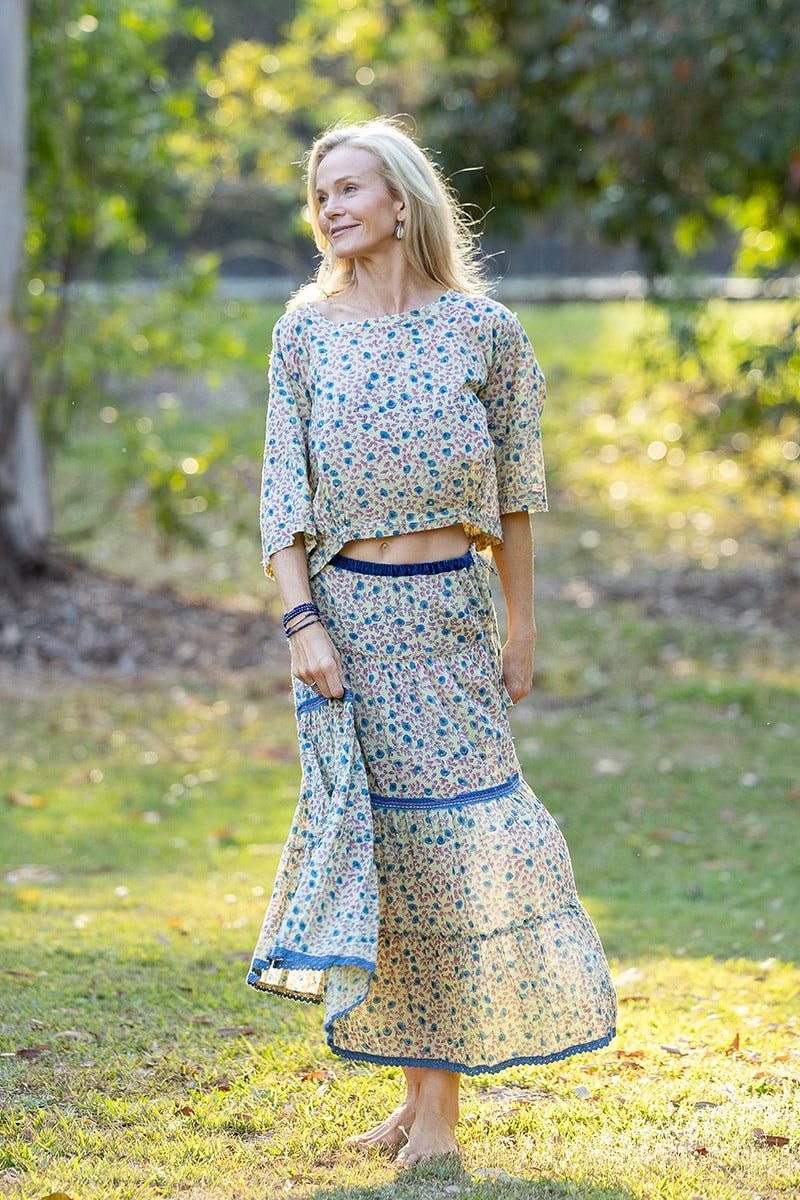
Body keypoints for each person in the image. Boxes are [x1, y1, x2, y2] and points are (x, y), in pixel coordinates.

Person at [247, 116, 616, 1168]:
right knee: (390, 855)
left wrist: (522, 625)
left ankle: (439, 1116)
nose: (330, 208)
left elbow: (518, 495)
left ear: (402, 202)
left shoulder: (483, 330)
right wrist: (301, 623)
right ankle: (421, 1106)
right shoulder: (303, 334)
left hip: (451, 621)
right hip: (346, 627)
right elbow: (281, 499)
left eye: (349, 188)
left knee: (457, 848)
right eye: (320, 194)